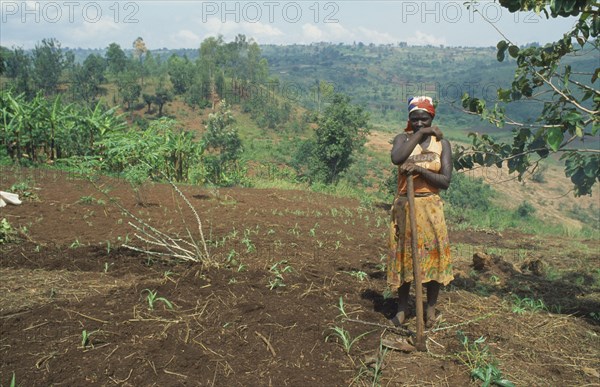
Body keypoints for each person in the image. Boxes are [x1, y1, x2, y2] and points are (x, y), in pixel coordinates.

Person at [388, 96, 453, 328]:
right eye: (414, 119)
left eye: (423, 119)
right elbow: (397, 158)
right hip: (406, 205)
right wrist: (419, 135)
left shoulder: (442, 145)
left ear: (431, 118)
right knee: (406, 258)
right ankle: (402, 310)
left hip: (431, 207)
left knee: (433, 259)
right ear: (409, 119)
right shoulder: (402, 139)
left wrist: (418, 170)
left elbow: (445, 180)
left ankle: (430, 309)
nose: (418, 123)